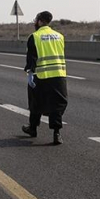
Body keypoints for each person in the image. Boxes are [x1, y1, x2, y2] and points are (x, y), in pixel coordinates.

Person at [22, 11, 68, 145]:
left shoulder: (35, 37)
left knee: (35, 103)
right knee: (57, 106)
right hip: (58, 76)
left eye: (36, 19)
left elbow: (32, 58)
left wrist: (30, 73)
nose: (35, 22)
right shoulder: (59, 36)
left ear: (41, 21)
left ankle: (33, 128)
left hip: (40, 76)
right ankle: (57, 133)